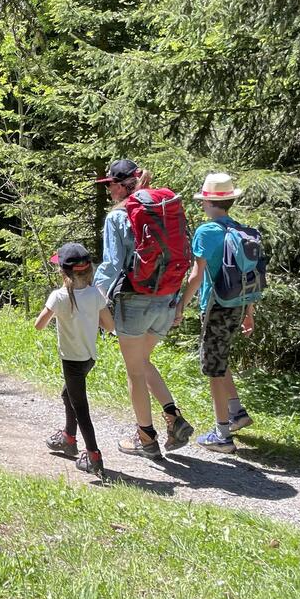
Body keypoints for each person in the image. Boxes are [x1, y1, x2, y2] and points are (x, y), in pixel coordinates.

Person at [94, 159, 195, 459]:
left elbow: (112, 266)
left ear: (122, 184)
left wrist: (93, 303)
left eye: (110, 184)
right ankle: (173, 417)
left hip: (135, 299)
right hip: (165, 299)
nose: (108, 189)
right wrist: (177, 301)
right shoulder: (164, 209)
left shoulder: (118, 217)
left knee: (135, 371)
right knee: (144, 360)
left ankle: (145, 439)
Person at [174, 174, 258, 454]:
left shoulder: (206, 232)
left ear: (208, 202)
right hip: (237, 304)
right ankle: (236, 412)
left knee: (213, 367)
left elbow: (197, 275)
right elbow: (249, 274)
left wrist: (180, 305)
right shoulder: (241, 230)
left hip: (216, 306)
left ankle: (222, 434)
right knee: (219, 357)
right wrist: (249, 311)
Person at [35, 243, 116, 475]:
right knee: (67, 394)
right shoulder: (95, 295)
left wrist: (54, 312)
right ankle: (68, 438)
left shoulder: (59, 297)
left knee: (81, 408)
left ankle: (93, 455)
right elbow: (109, 326)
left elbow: (38, 325)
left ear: (63, 272)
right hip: (89, 357)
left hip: (71, 360)